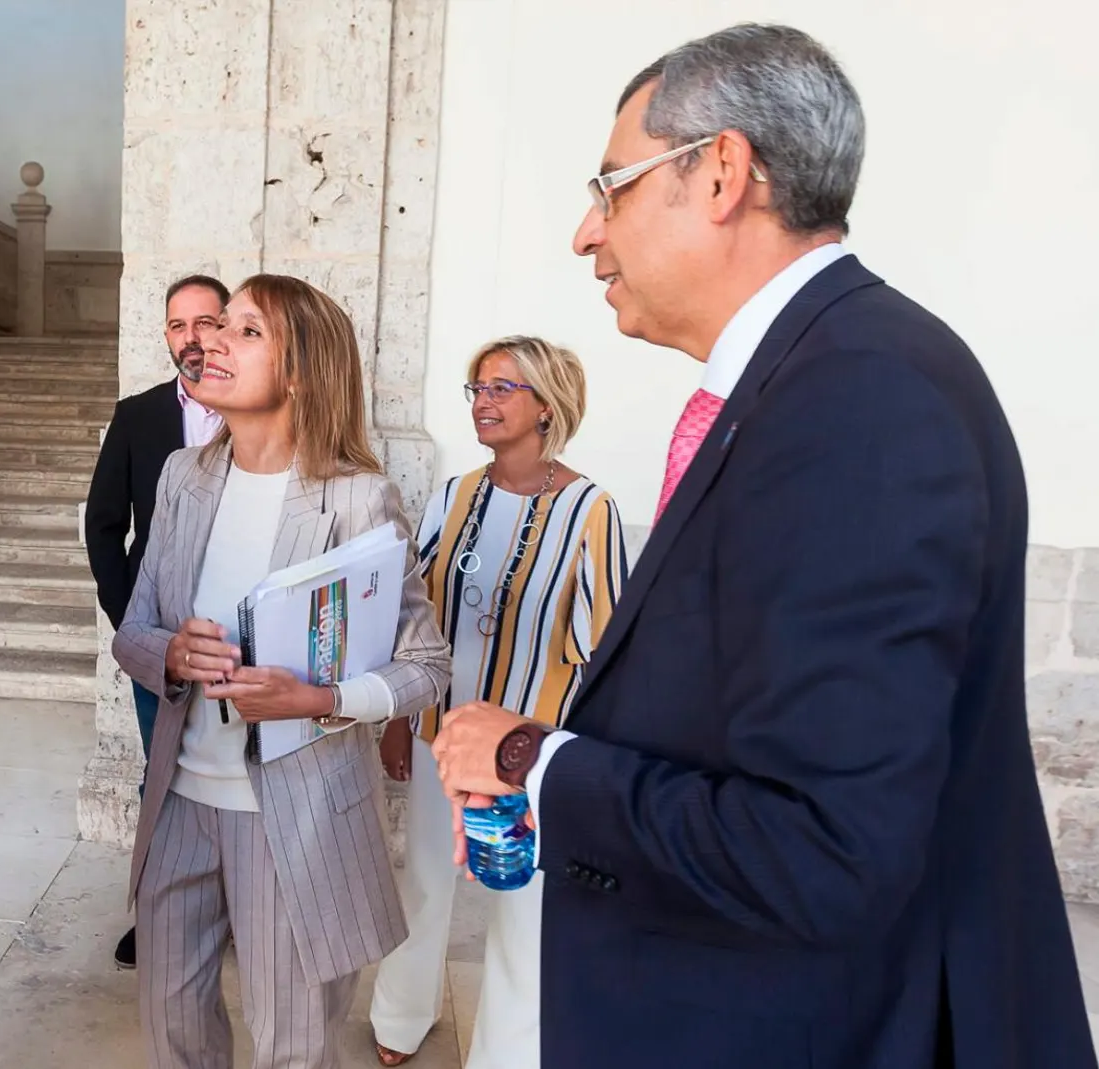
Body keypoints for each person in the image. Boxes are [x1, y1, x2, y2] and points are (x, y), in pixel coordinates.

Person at [430, 23, 1096, 1069]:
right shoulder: (819, 373)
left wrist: (534, 760)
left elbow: (824, 849)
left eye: (610, 188)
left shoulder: (862, 404)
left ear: (721, 175)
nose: (584, 234)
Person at [114, 274, 450, 1069]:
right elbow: (133, 631)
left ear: (299, 371)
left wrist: (323, 697)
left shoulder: (359, 501)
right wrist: (169, 650)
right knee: (171, 1030)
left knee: (293, 1047)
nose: (213, 340)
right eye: (215, 326)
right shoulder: (181, 479)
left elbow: (425, 666)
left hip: (294, 820)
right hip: (179, 805)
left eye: (246, 330)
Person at [368, 337, 626, 1067]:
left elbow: (605, 649)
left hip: (527, 750)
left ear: (546, 404)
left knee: (523, 903)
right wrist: (397, 718)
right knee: (422, 877)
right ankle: (400, 1015)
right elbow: (411, 616)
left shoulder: (592, 511)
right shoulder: (453, 494)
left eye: (501, 388)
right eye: (476, 388)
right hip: (438, 732)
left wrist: (571, 763)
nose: (483, 400)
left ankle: (507, 1054)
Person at [83, 273, 228, 969]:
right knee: (162, 775)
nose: (193, 337)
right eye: (179, 324)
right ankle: (157, 912)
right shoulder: (138, 415)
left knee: (235, 778)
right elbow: (103, 524)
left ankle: (232, 907)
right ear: (166, 336)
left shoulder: (260, 410)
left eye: (207, 321)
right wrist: (130, 624)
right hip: (160, 640)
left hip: (242, 641)